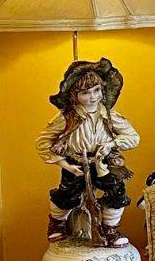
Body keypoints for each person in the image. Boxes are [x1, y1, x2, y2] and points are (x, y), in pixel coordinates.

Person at [38, 59, 139, 247]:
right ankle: (57, 223)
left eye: (96, 91)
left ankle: (110, 229)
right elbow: (43, 141)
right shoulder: (67, 117)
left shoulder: (108, 115)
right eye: (85, 93)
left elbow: (133, 137)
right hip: (76, 163)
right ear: (74, 95)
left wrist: (111, 144)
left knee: (117, 191)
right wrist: (64, 164)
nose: (92, 97)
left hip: (103, 163)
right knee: (67, 195)